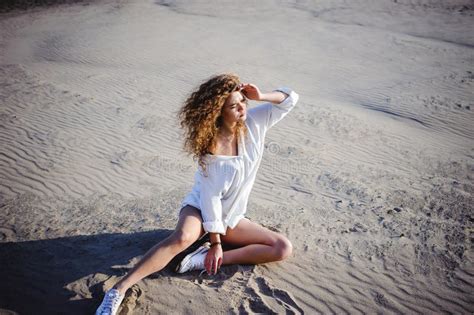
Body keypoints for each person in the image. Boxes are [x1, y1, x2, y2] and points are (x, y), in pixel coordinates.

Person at [95, 73, 299, 315]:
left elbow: (290, 99)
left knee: (282, 248)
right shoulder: (211, 148)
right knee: (182, 238)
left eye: (243, 101)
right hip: (200, 209)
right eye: (234, 106)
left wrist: (261, 95)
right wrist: (215, 242)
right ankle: (118, 290)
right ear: (219, 111)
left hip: (231, 215)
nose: (242, 108)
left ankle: (198, 260)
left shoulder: (255, 122)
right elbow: (210, 198)